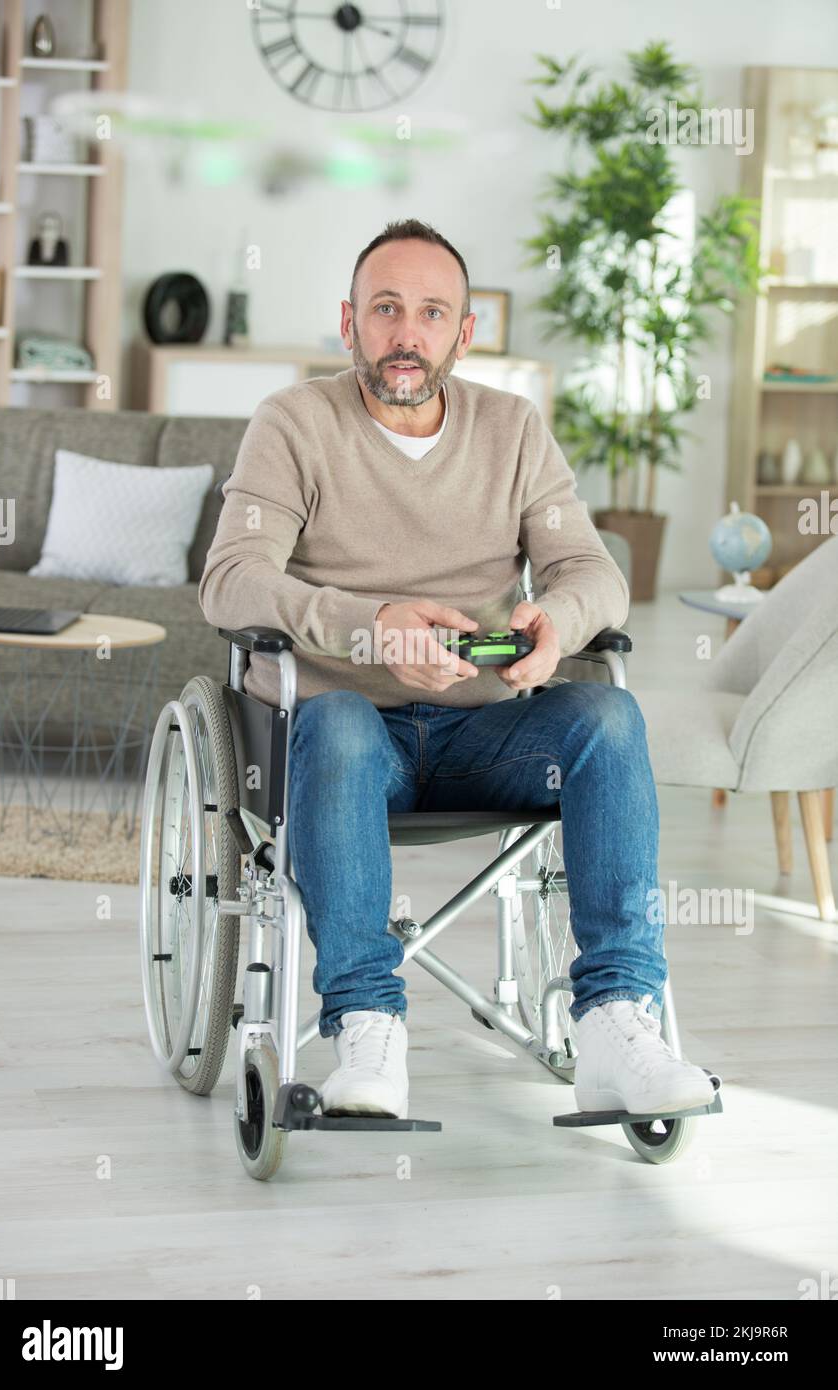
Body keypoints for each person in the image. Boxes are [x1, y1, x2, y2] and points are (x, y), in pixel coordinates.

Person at [198, 218, 715, 1121]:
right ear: (349, 322)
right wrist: (370, 630)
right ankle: (364, 1024)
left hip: (489, 732)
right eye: (386, 309)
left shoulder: (511, 430)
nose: (407, 333)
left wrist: (554, 621)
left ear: (465, 332)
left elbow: (594, 574)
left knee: (609, 722)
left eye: (431, 313)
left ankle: (616, 1024)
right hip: (345, 736)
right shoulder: (294, 423)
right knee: (344, 723)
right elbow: (231, 581)